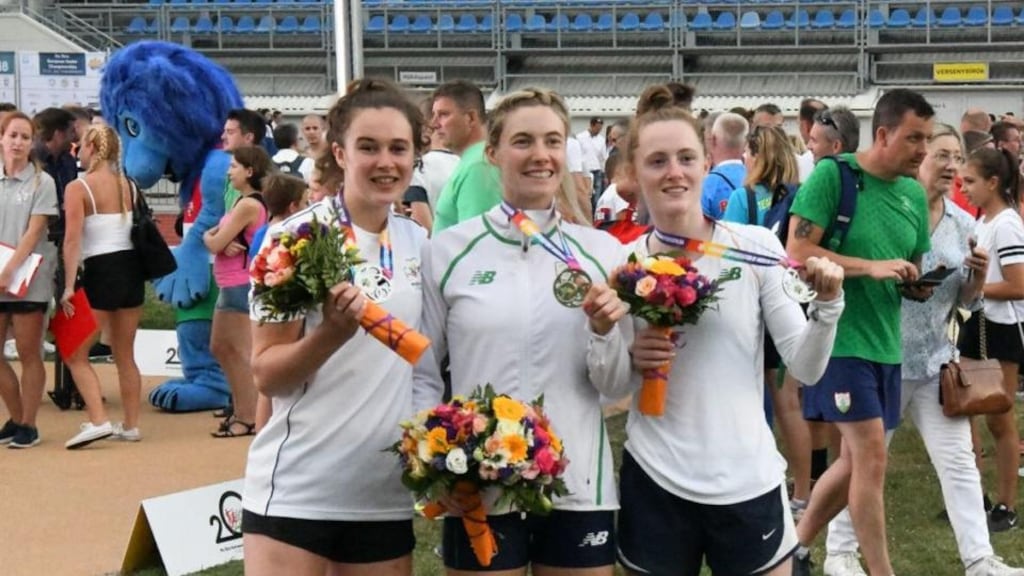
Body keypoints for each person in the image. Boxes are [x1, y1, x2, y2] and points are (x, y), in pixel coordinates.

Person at [618, 84, 845, 576]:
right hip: (654, 480)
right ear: (634, 173)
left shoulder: (756, 246)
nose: (674, 172)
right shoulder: (621, 265)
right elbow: (607, 386)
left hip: (746, 479)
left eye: (685, 157)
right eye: (657, 161)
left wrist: (828, 305)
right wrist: (624, 352)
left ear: (707, 163)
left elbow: (804, 367)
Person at [416, 87, 633, 576]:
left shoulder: (602, 253)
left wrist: (602, 330)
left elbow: (618, 386)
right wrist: (435, 461)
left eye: (553, 141)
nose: (541, 155)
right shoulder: (448, 251)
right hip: (479, 483)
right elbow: (423, 372)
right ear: (492, 152)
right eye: (523, 141)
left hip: (579, 484)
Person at [243, 78, 427, 576]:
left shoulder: (419, 243)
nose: (385, 162)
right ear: (340, 153)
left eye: (398, 148)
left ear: (415, 156)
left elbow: (426, 368)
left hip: (381, 492)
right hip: (297, 487)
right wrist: (330, 335)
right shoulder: (294, 239)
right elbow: (267, 375)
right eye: (368, 147)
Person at [823, 125, 1024, 576]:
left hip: (935, 361)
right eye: (942, 155)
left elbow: (968, 303)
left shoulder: (964, 223)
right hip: (880, 358)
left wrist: (976, 276)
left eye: (957, 158)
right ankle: (840, 552)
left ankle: (979, 560)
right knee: (860, 464)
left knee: (959, 465)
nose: (951, 166)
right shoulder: (890, 211)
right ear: (919, 159)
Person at [787, 88, 935, 576]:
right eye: (914, 138)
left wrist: (916, 285)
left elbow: (909, 265)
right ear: (884, 133)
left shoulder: (913, 194)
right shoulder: (835, 175)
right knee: (871, 455)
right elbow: (798, 249)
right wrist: (870, 267)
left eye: (927, 140)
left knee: (853, 460)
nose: (922, 151)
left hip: (885, 343)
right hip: (838, 341)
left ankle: (797, 549)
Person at [721, 124, 813, 519]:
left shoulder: (742, 198)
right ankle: (804, 489)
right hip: (792, 302)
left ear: (755, 155)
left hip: (752, 308)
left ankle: (756, 475)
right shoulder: (799, 195)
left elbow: (728, 252)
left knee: (752, 396)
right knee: (791, 402)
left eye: (747, 153)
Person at [59, 125, 146, 448]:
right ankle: (131, 424)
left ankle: (98, 420)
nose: (77, 150)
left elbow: (71, 241)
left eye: (80, 145)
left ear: (92, 148)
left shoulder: (78, 187)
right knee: (125, 353)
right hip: (132, 269)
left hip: (101, 270)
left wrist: (69, 285)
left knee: (74, 351)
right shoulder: (130, 185)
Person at [959, 146, 1024, 534]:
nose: (963, 188)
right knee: (965, 414)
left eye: (970, 181)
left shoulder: (1008, 224)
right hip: (977, 323)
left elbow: (1019, 285)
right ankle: (973, 498)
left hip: (1000, 330)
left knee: (999, 420)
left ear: (994, 182)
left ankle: (1006, 504)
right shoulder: (984, 221)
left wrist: (979, 288)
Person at [0, 112, 59, 449]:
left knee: (28, 352)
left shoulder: (42, 182)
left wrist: (9, 270)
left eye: (25, 137)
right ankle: (17, 416)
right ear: (2, 138)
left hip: (27, 279)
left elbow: (35, 230)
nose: (19, 142)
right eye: (13, 136)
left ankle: (30, 424)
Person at [203, 145, 270, 438]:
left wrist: (211, 237)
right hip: (229, 282)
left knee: (239, 351)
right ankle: (244, 409)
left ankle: (249, 415)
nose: (229, 172)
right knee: (221, 347)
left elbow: (216, 244)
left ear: (249, 171)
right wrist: (216, 239)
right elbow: (219, 241)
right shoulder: (242, 202)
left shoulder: (249, 205)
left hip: (239, 282)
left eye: (234, 167)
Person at [430, 80, 501, 233]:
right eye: (434, 115)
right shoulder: (474, 161)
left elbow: (476, 242)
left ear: (470, 118)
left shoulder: (478, 166)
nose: (434, 123)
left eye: (443, 115)